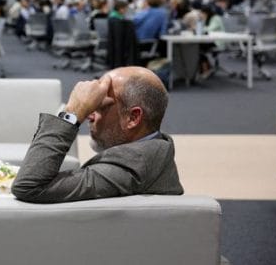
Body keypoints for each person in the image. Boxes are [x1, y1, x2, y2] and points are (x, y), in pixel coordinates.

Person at [12, 66, 183, 203]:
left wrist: (72, 113)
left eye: (100, 107)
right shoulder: (158, 147)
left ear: (133, 117)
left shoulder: (131, 168)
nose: (89, 115)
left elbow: (29, 186)